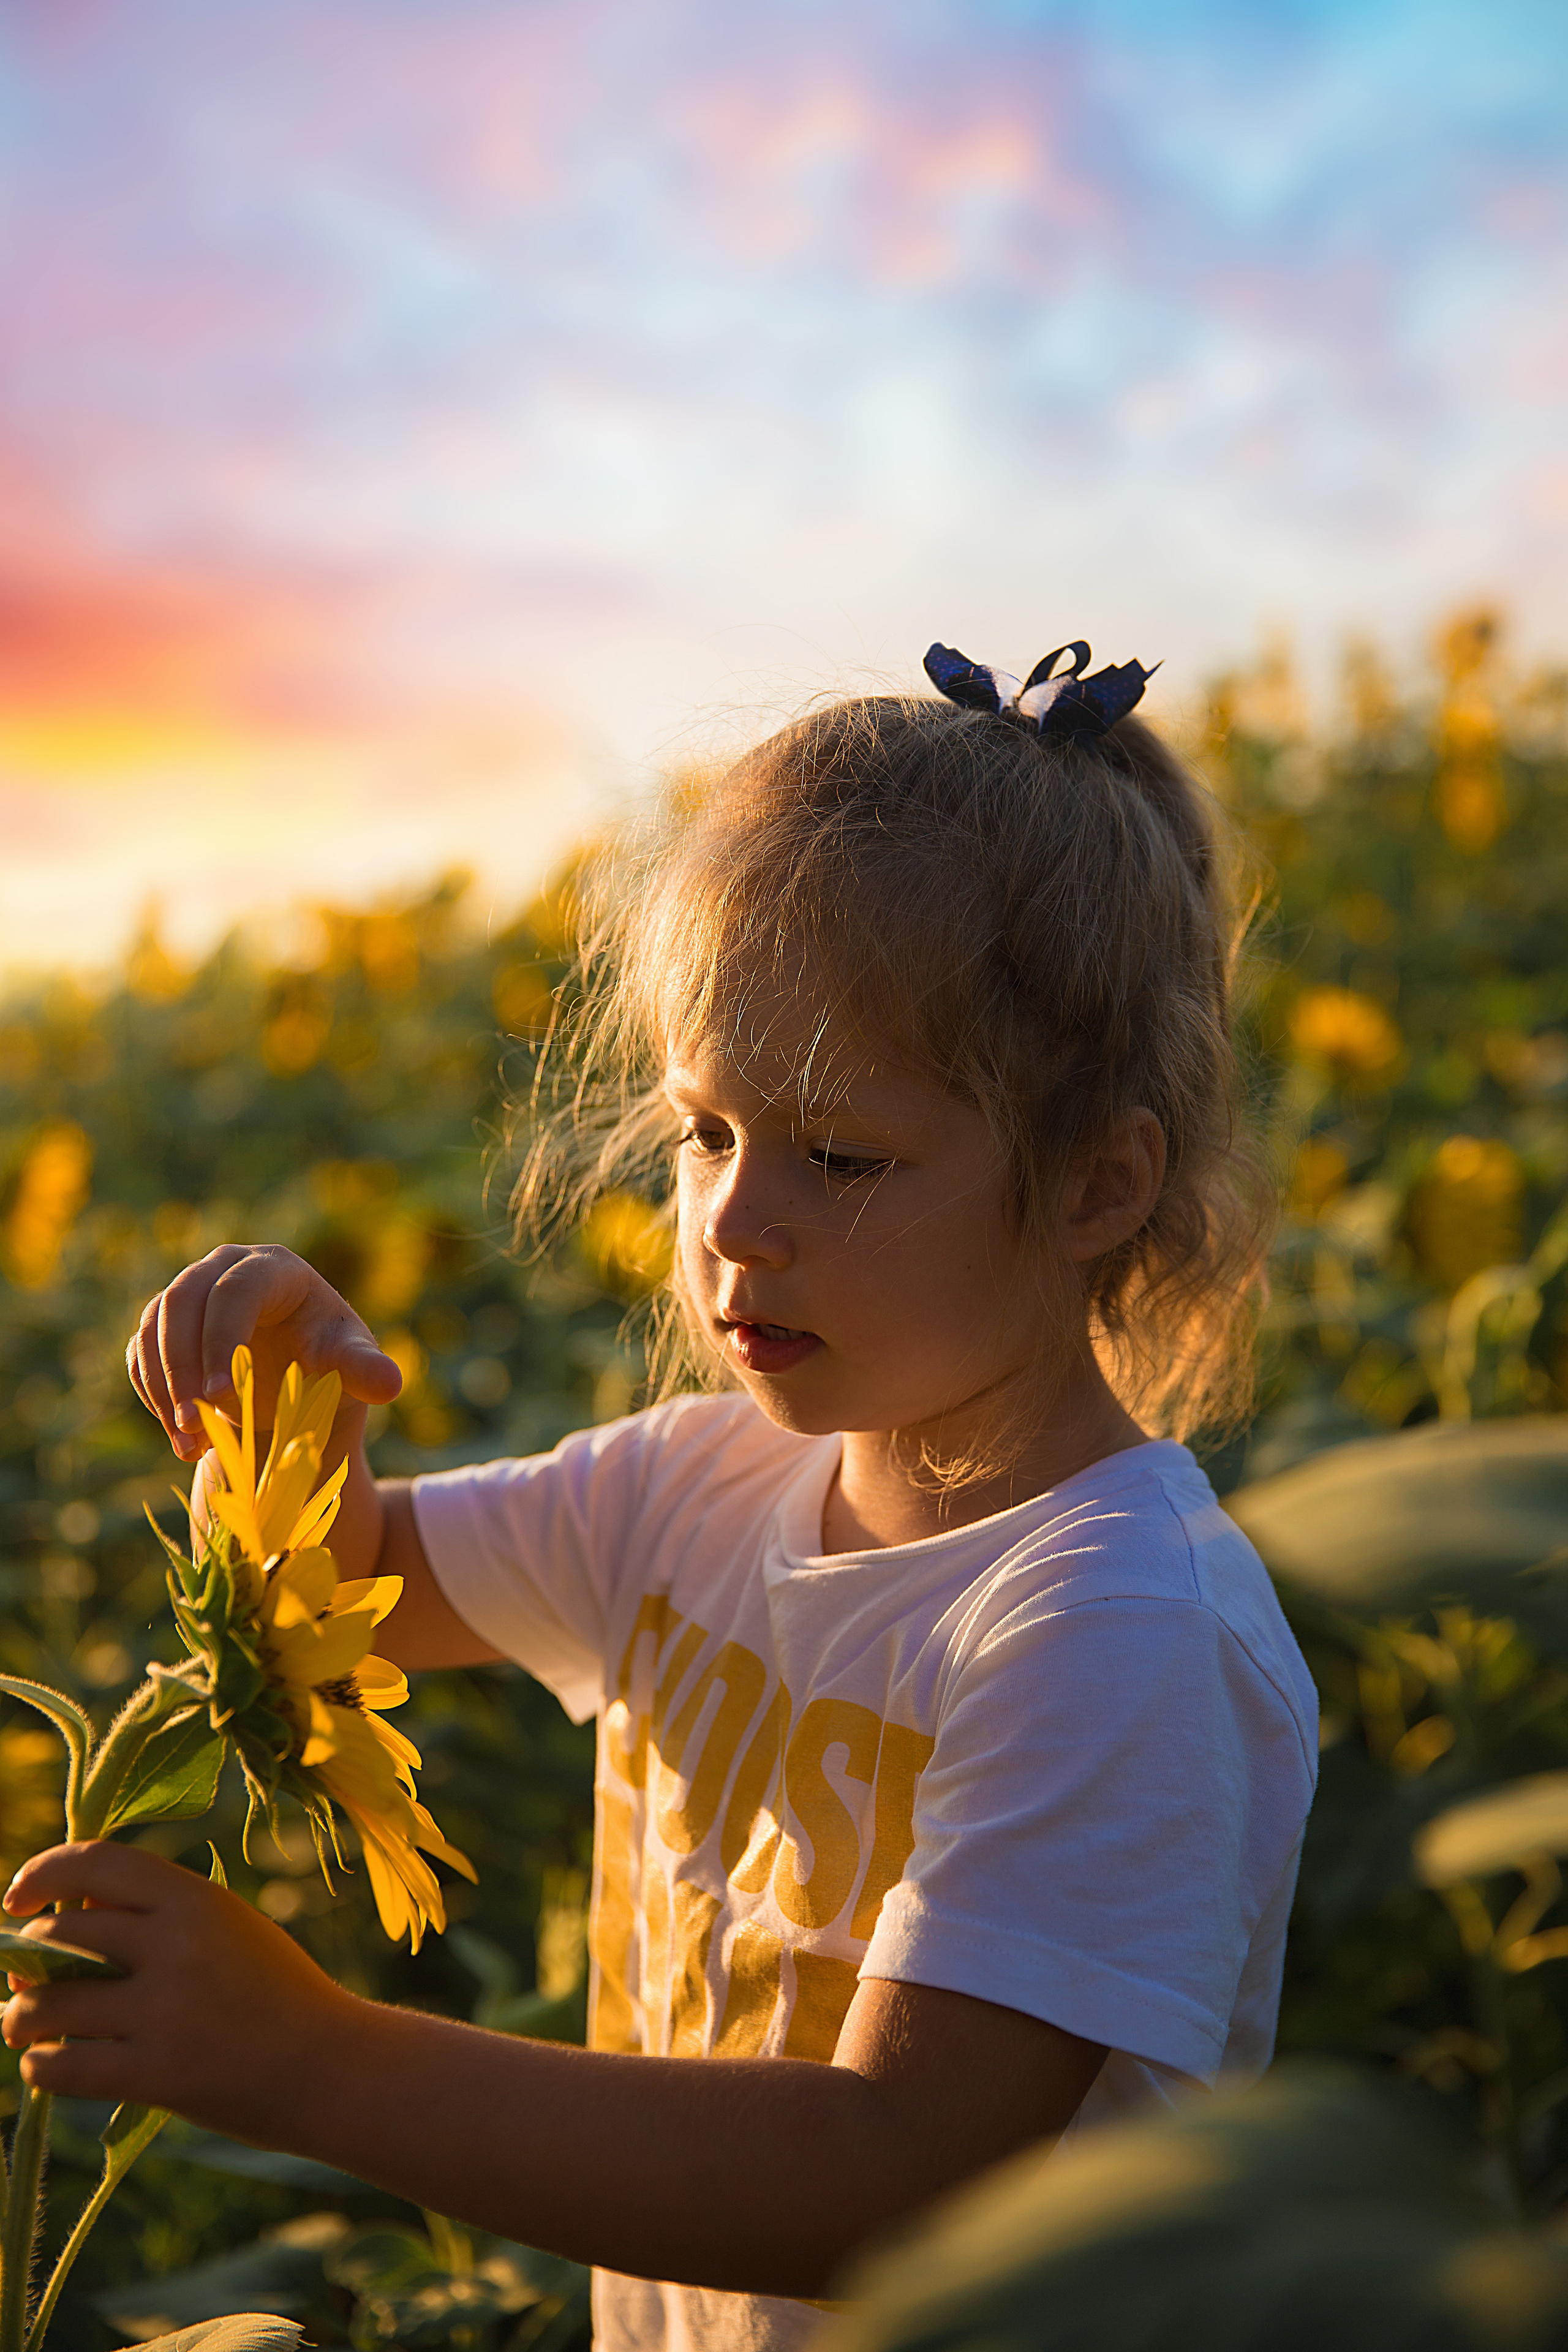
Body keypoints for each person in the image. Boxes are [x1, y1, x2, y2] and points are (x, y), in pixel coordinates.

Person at [4, 641, 1317, 2352]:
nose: (733, 1223)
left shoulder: (1115, 1631)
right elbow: (362, 1588)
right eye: (707, 1130)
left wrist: (313, 2059)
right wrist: (283, 1414)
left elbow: (898, 2179)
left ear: (1097, 1183)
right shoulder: (694, 1487)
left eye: (840, 1156)